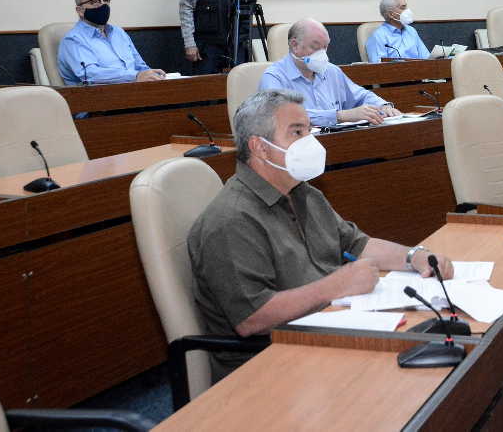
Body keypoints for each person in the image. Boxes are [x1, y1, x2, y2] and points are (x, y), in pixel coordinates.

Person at [188, 89, 454, 380]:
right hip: (268, 364)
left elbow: (356, 243)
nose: (310, 141)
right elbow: (253, 318)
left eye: (309, 130)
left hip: (326, 330)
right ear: (260, 148)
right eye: (297, 132)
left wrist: (414, 256)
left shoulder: (303, 193)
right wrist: (336, 286)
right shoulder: (231, 220)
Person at [259, 18, 401, 127]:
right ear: (294, 45)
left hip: (338, 144)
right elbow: (283, 115)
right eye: (315, 47)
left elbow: (360, 95)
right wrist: (340, 116)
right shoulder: (274, 77)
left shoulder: (332, 71)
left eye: (325, 47)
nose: (322, 54)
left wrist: (383, 106)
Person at [57, 0, 165, 85]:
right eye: (95, 2)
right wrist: (135, 76)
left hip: (135, 92)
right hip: (98, 99)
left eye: (105, 0)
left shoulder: (118, 32)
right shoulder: (74, 39)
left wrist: (153, 75)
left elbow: (140, 66)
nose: (103, 5)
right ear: (80, 10)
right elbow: (90, 75)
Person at [366, 0, 430, 63]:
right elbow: (378, 67)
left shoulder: (411, 30)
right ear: (391, 14)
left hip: (419, 71)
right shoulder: (378, 36)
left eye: (406, 7)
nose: (408, 11)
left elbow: (426, 58)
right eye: (403, 8)